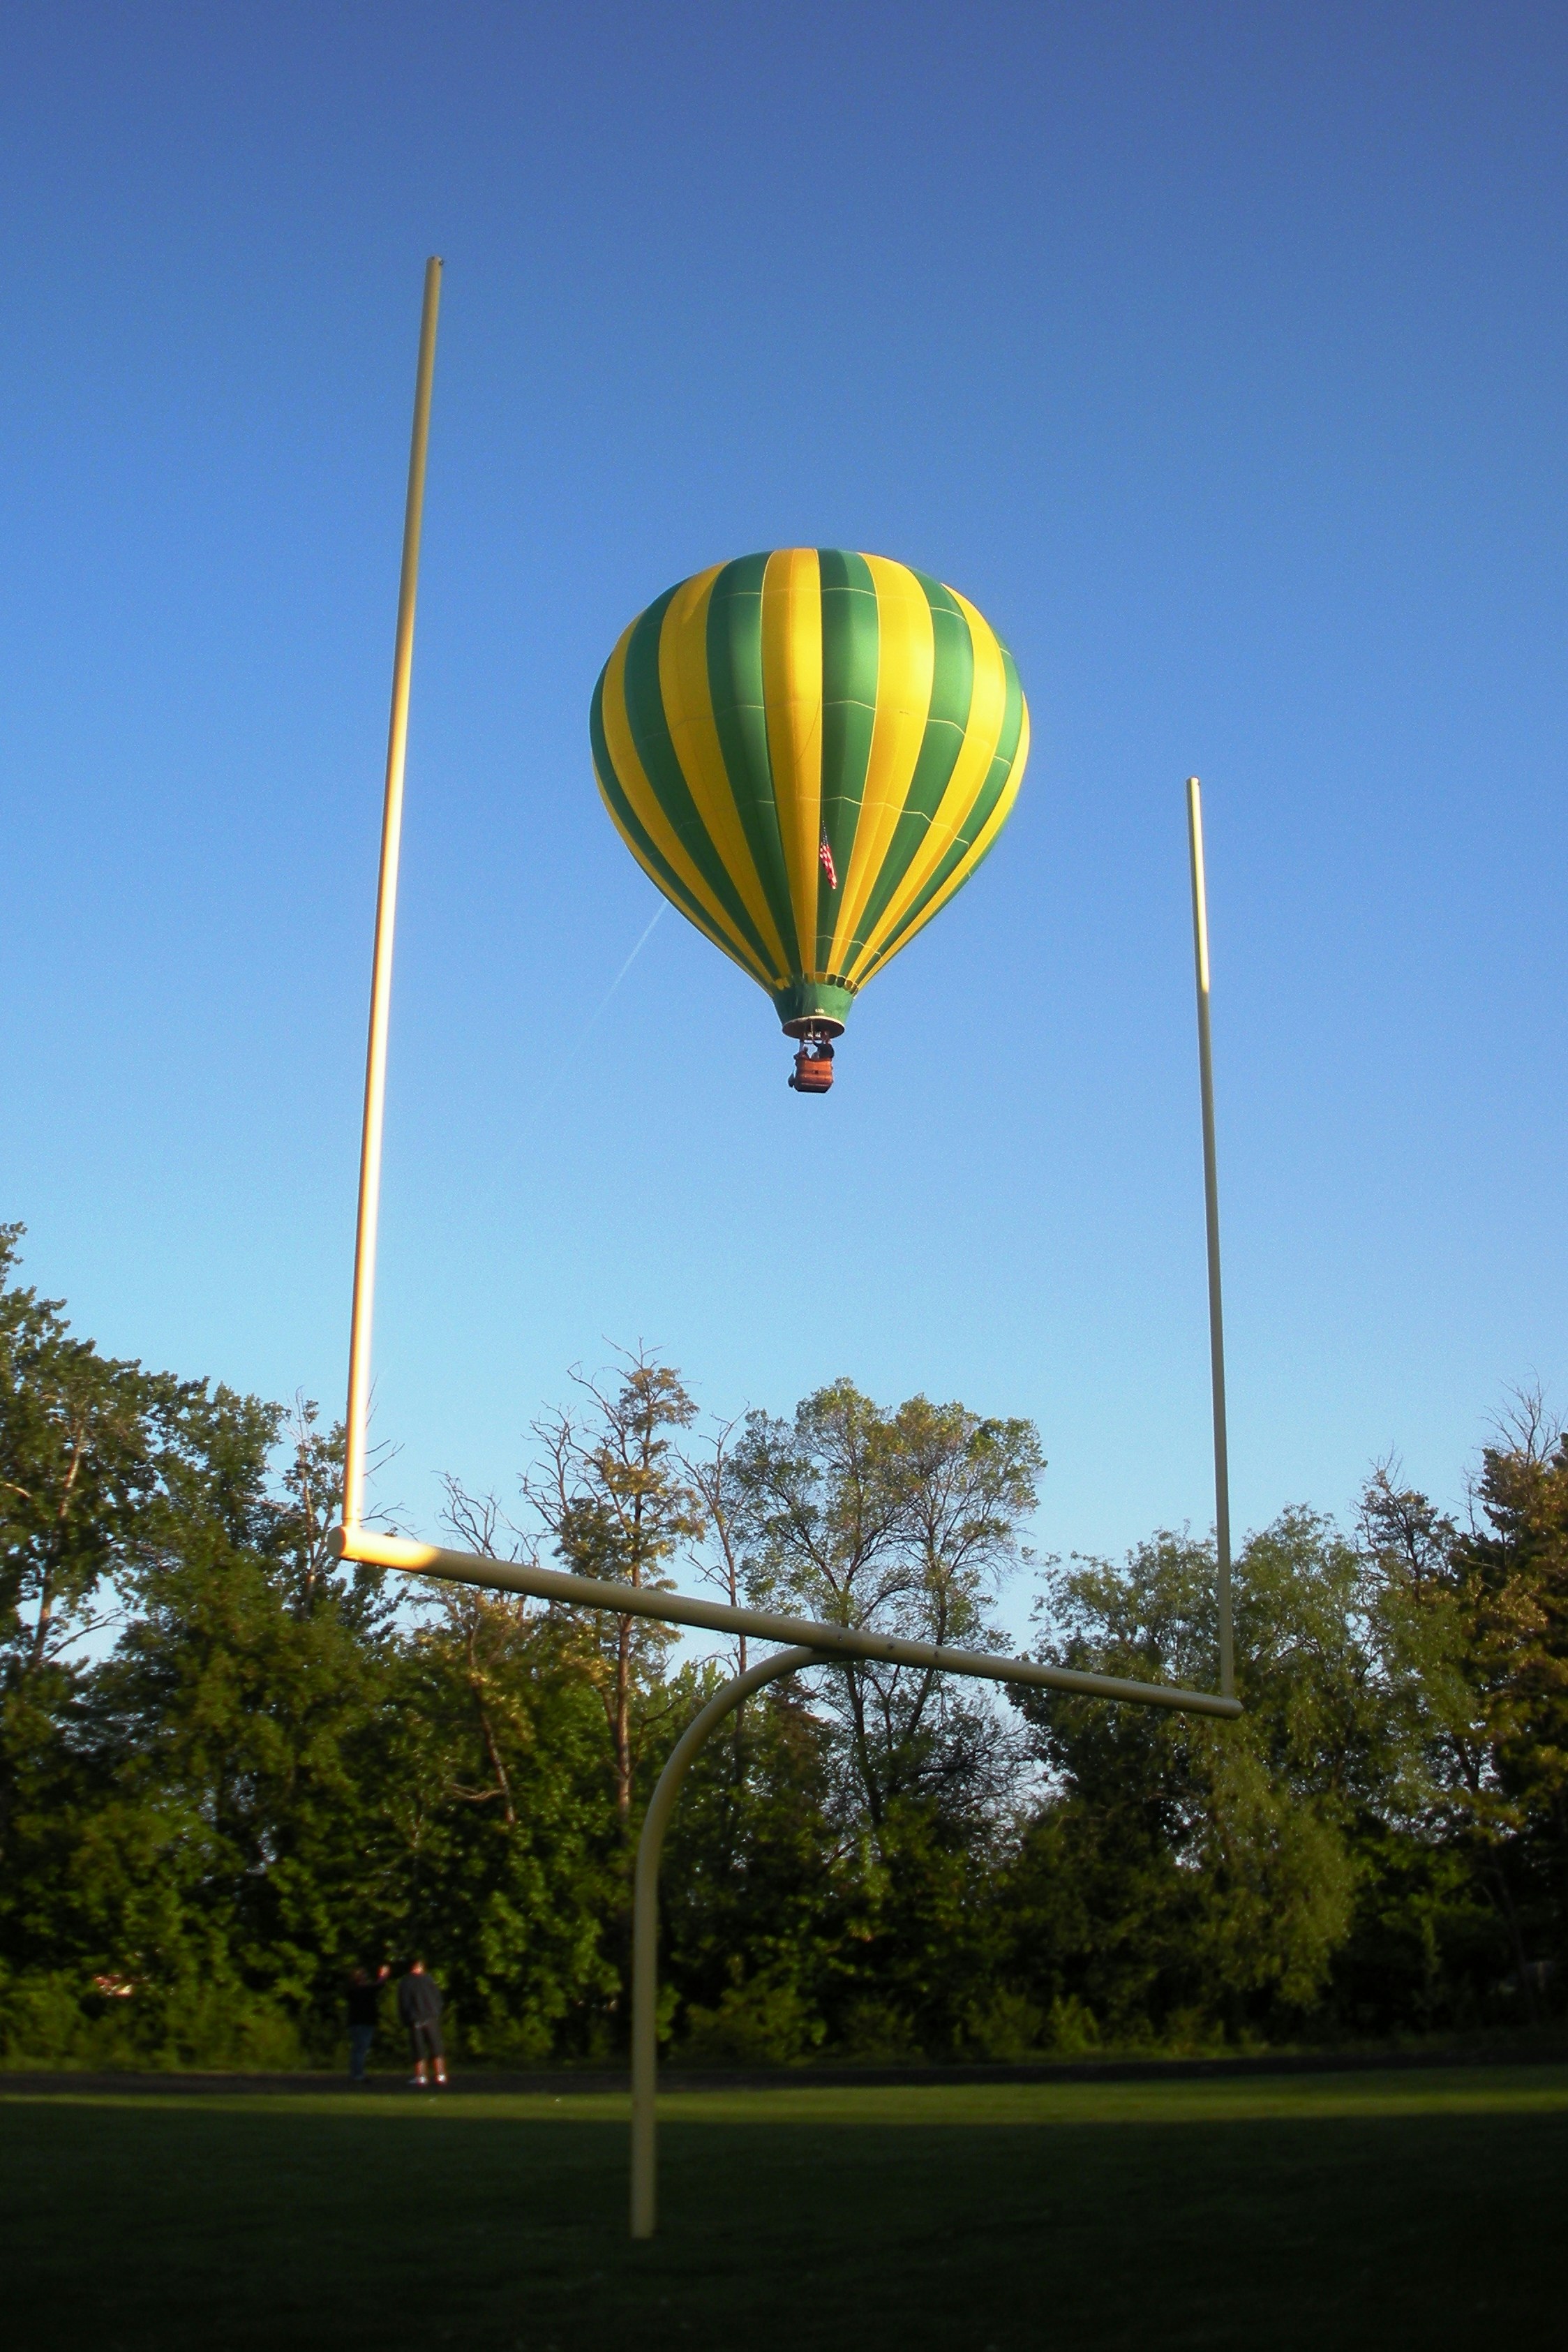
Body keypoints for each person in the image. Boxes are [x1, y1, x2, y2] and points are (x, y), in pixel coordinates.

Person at [397, 1958, 447, 2087]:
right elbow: (438, 1998)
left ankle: (421, 2076)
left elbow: (404, 2002)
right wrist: (436, 2011)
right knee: (436, 2046)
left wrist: (405, 2019)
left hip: (416, 2019)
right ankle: (440, 2075)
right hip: (431, 2017)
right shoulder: (428, 1979)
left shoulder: (406, 1982)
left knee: (418, 2048)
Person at [346, 1963, 388, 2085]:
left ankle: (355, 2073)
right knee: (361, 2049)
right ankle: (358, 2074)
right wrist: (383, 1976)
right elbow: (378, 1985)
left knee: (357, 2049)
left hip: (354, 2023)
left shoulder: (352, 1991)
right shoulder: (365, 1990)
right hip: (365, 2023)